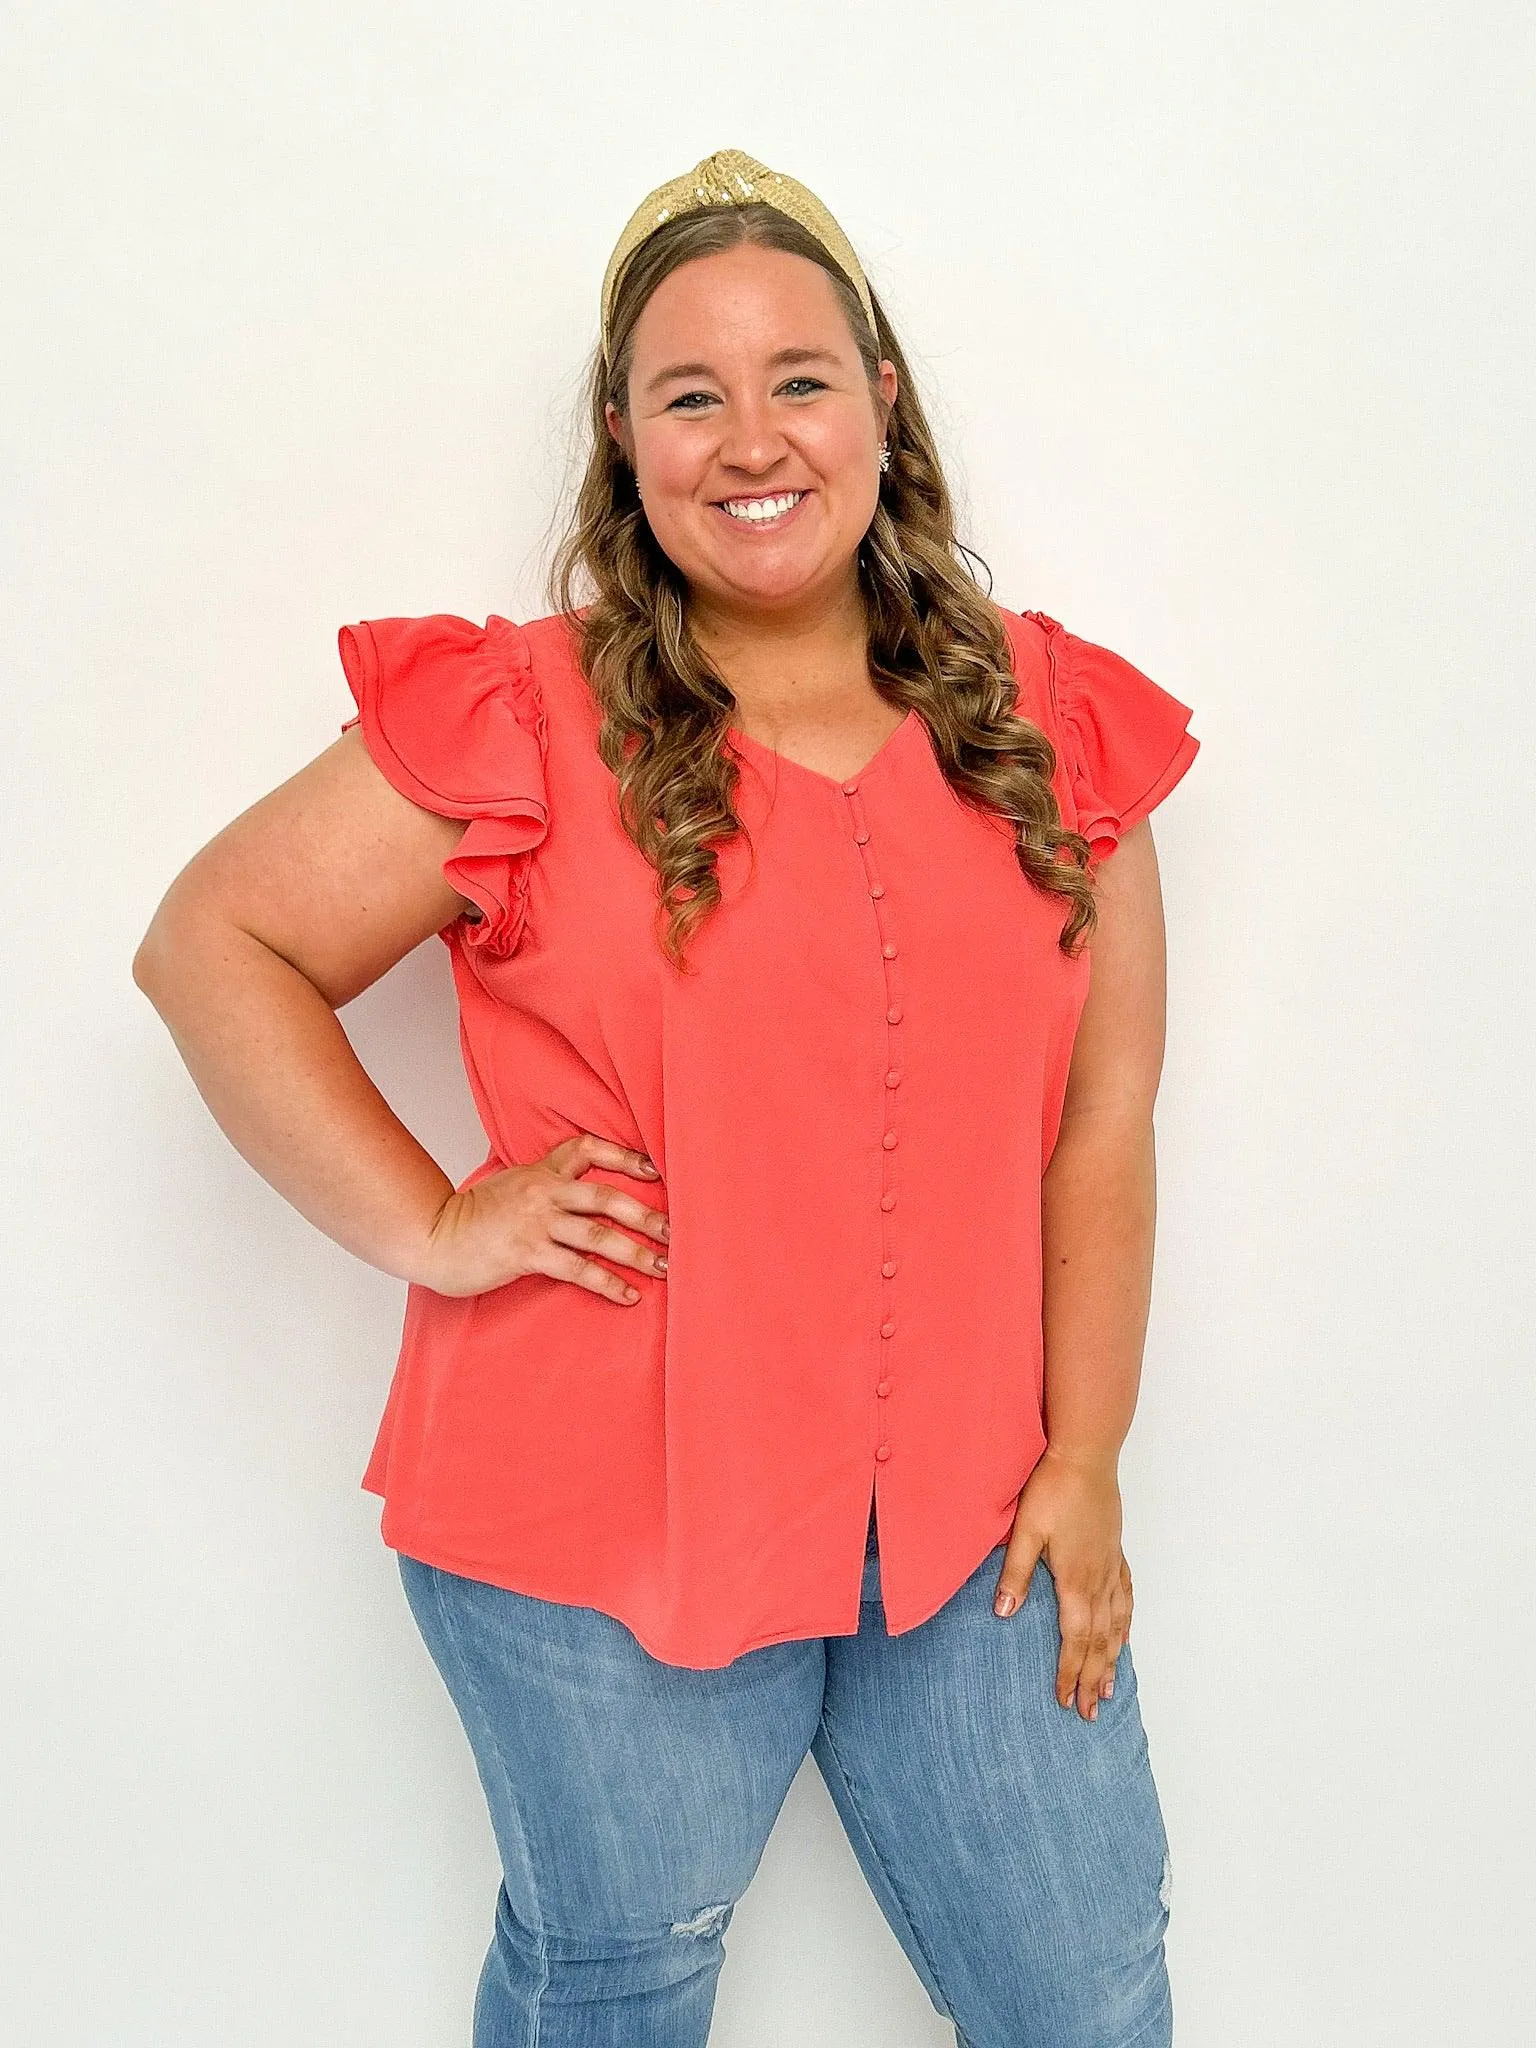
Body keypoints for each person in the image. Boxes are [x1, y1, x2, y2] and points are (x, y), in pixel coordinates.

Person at [134, 148, 1199, 2048]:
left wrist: (1089, 1454)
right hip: (596, 1525)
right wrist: (431, 1221)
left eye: (798, 376)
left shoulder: (1055, 723)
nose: (749, 436)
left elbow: (1101, 1121)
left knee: (1085, 1995)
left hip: (979, 1525)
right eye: (685, 394)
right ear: (623, 443)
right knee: (614, 1990)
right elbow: (216, 941)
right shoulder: (518, 718)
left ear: (883, 399)